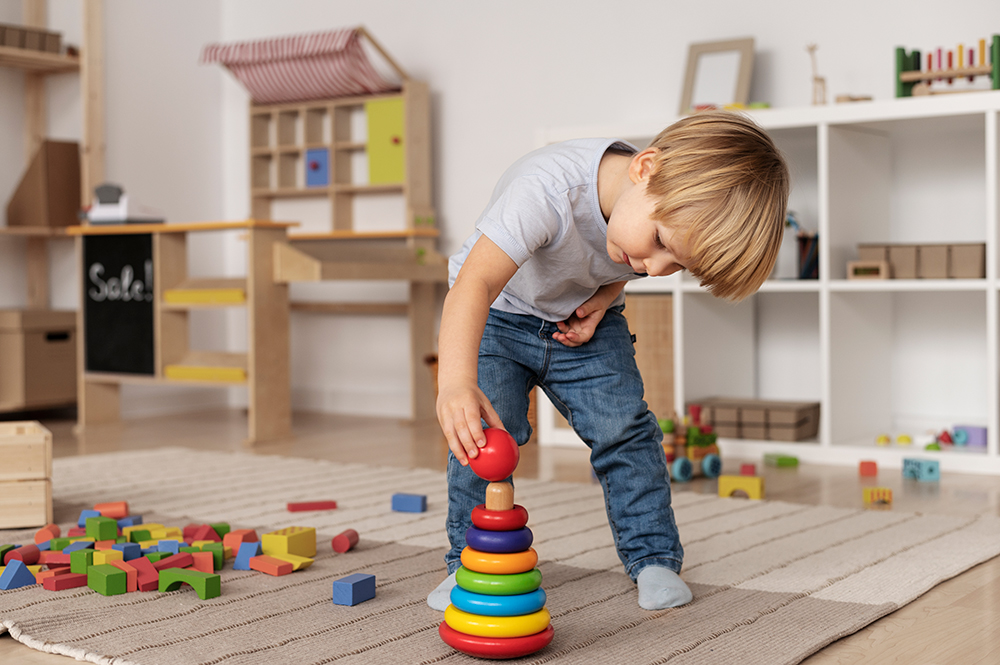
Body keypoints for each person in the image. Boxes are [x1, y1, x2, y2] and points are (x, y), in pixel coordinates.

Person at [428, 110, 789, 612]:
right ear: (644, 168)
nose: (656, 269)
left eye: (678, 265)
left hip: (581, 323)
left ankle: (654, 558)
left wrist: (606, 295)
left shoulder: (646, 217)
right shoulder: (547, 190)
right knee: (486, 436)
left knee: (626, 431)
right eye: (662, 244)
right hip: (498, 313)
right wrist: (455, 384)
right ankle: (467, 564)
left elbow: (632, 254)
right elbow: (474, 284)